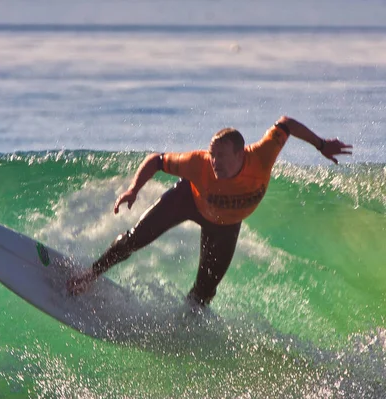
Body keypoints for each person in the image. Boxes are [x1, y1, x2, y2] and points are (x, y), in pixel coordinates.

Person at [67, 116, 352, 306]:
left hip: (226, 225)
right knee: (135, 238)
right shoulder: (198, 164)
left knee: (205, 290)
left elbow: (286, 124)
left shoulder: (263, 155)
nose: (215, 162)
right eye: (212, 155)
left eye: (222, 157)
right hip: (188, 200)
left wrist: (322, 145)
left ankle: (187, 324)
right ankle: (90, 275)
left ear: (241, 154)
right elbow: (156, 160)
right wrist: (134, 189)